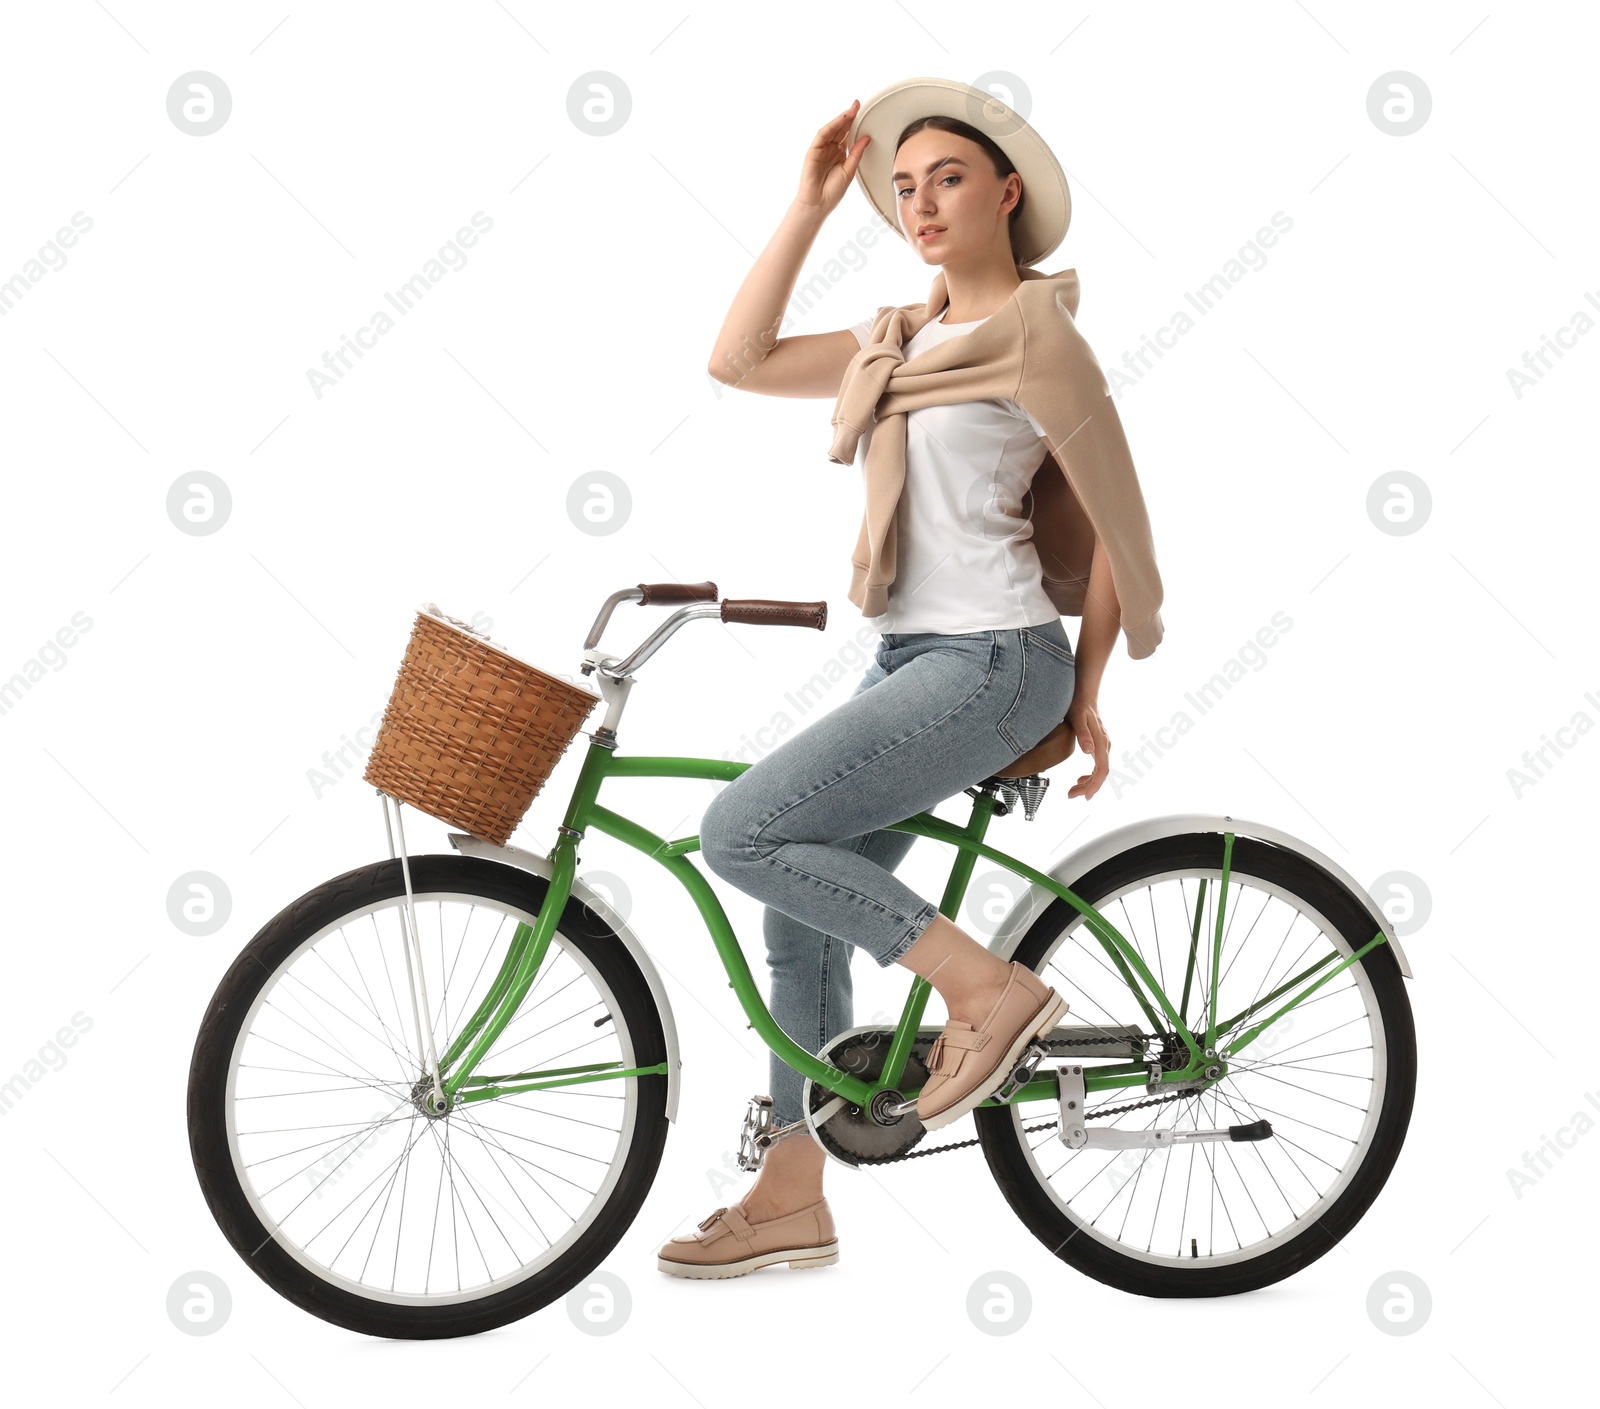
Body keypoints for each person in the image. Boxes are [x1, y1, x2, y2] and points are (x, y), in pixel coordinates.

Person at [659, 80, 1158, 1279]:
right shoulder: (898, 343)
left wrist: (1083, 695)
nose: (920, 201)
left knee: (740, 830)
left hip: (997, 662)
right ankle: (789, 1195)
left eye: (946, 178)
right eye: (903, 186)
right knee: (793, 908)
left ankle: (985, 991)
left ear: (1005, 193)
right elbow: (737, 358)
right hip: (917, 658)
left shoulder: (1041, 339)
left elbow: (1120, 530)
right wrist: (810, 201)